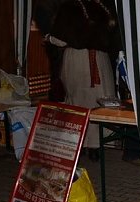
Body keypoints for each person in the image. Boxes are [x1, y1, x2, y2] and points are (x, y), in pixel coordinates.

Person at [47, 0, 121, 162]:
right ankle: (86, 144)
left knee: (91, 102)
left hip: (89, 59)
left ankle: (87, 143)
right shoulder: (79, 7)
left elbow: (58, 39)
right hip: (87, 60)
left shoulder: (96, 6)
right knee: (85, 101)